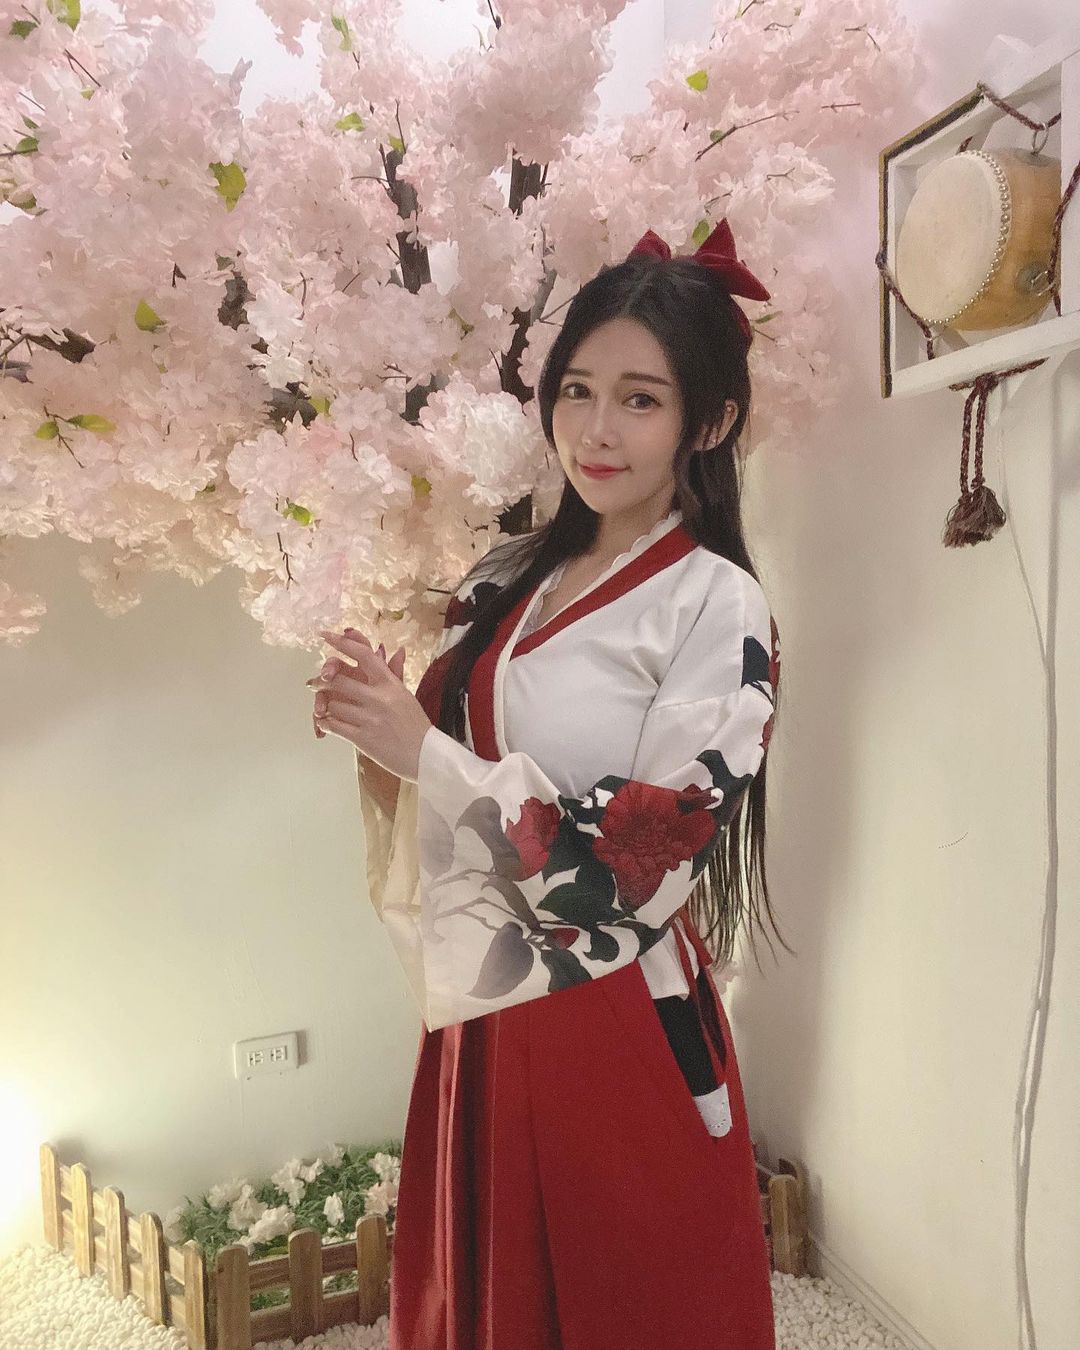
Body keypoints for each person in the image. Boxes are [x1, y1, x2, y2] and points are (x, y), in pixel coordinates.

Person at [309, 219, 790, 1349]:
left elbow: (647, 857)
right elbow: (445, 764)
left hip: (606, 1005)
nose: (595, 429)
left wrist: (423, 754)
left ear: (710, 422)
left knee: (626, 1294)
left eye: (640, 399)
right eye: (577, 391)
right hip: (484, 999)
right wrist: (384, 721)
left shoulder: (717, 604)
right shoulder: (508, 575)